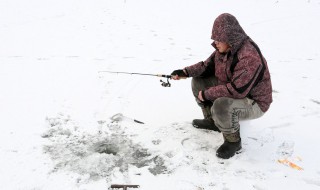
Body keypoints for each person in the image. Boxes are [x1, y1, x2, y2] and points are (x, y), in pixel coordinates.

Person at [171, 13, 272, 159]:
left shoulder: (249, 57)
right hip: (235, 88)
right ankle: (213, 122)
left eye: (218, 39)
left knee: (221, 105)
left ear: (230, 38)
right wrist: (185, 72)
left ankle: (233, 142)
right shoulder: (224, 49)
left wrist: (207, 95)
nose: (215, 43)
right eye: (214, 39)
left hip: (254, 102)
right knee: (198, 82)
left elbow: (238, 91)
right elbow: (206, 67)